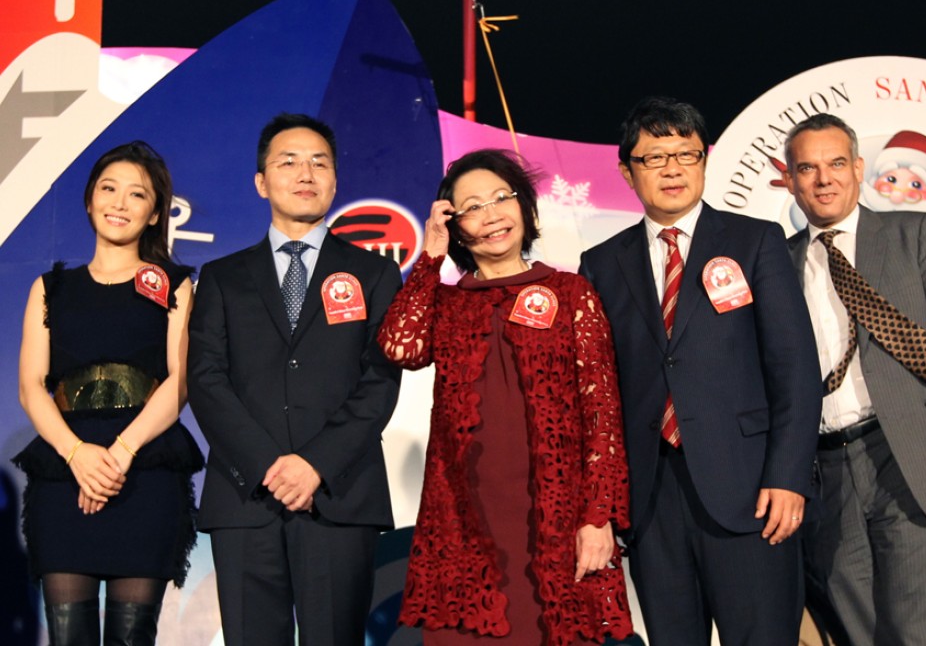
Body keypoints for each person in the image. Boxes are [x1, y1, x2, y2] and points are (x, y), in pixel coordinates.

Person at [578, 97, 822, 645]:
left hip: (751, 491)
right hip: (651, 497)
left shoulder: (754, 241)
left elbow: (795, 371)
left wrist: (787, 477)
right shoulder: (600, 263)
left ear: (704, 162)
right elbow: (598, 389)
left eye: (686, 155)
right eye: (654, 157)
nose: (672, 169)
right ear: (626, 170)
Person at [378, 149, 632, 645]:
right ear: (456, 226)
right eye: (472, 207)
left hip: (553, 520)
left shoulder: (571, 292)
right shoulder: (449, 304)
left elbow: (602, 411)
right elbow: (399, 346)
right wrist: (429, 255)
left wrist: (597, 517)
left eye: (502, 198)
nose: (492, 213)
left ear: (526, 208)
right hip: (463, 519)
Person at [186, 113, 402, 645]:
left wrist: (314, 466)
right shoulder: (221, 277)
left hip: (338, 495)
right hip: (246, 497)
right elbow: (206, 379)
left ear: (334, 180)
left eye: (319, 162)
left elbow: (380, 380)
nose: (305, 172)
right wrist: (269, 466)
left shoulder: (375, 273)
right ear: (261, 181)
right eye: (288, 161)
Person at [783, 113, 926, 645]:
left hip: (913, 459)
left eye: (836, 164)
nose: (823, 179)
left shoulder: (913, 235)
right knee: (860, 633)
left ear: (857, 169)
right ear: (790, 179)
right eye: (807, 168)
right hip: (824, 474)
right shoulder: (776, 262)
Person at [13, 141, 203, 646]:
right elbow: (32, 387)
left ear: (155, 212)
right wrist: (77, 454)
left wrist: (119, 453)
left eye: (136, 195)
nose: (119, 203)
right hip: (64, 471)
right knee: (68, 636)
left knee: (131, 636)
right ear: (89, 200)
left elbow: (180, 380)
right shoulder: (50, 288)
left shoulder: (174, 285)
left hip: (142, 471)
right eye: (108, 189)